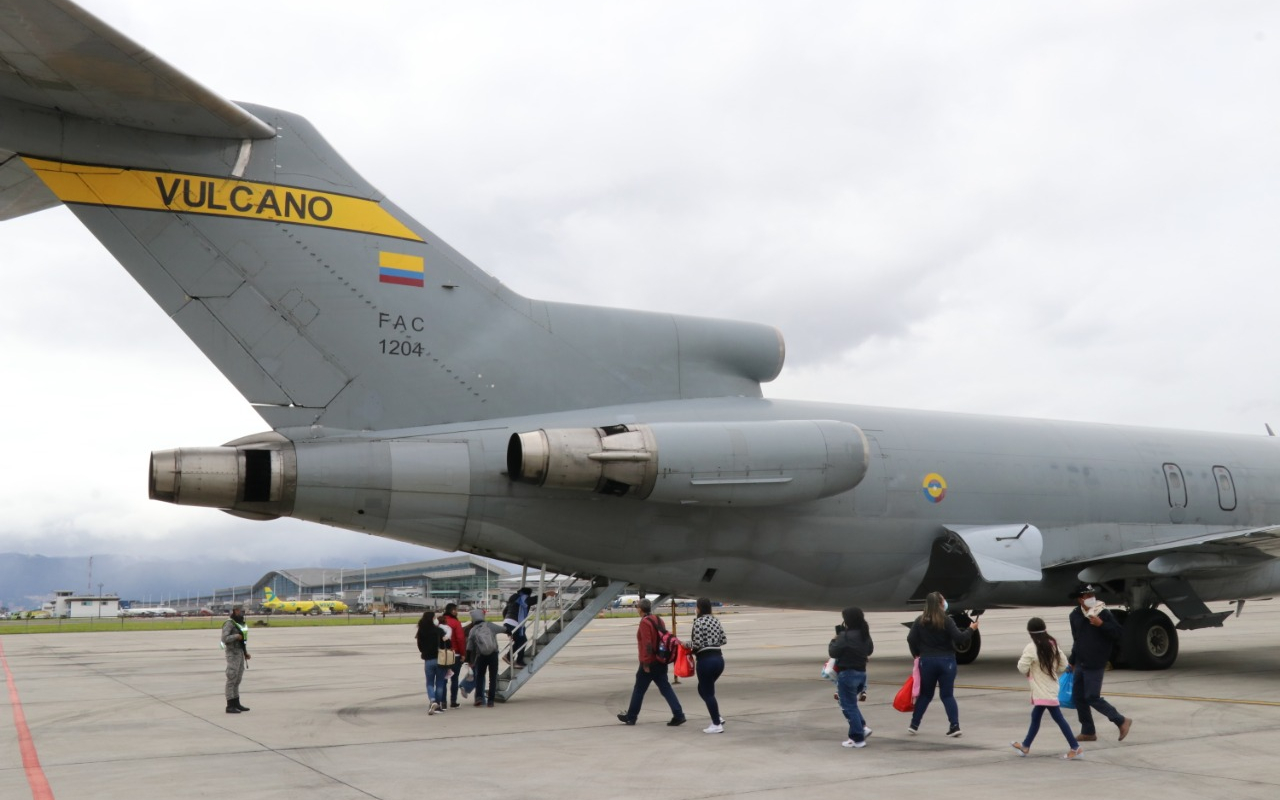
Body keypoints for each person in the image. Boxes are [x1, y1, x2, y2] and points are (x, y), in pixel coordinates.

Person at [906, 591, 977, 737]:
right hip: (947, 661)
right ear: (940, 604)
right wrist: (971, 629)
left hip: (927, 661)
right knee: (947, 695)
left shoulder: (920, 621)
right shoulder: (947, 620)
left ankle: (914, 724)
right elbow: (960, 637)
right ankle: (955, 725)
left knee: (925, 694)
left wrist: (917, 653)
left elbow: (910, 638)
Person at [1011, 617, 1082, 759]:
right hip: (1051, 687)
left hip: (1042, 690)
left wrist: (1031, 670)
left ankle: (1075, 747)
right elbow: (1063, 664)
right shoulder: (1052, 643)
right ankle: (1025, 746)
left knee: (1058, 718)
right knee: (1036, 716)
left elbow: (1021, 667)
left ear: (1030, 632)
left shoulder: (1031, 647)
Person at [1067, 584, 1132, 742]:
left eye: (1091, 595)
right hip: (1081, 661)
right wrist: (1072, 661)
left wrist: (1101, 624)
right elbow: (1077, 639)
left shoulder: (1102, 612)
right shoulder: (1075, 615)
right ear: (1080, 599)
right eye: (1087, 596)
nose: (1091, 598)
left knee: (1092, 696)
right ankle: (1088, 731)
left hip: (1096, 661)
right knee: (1079, 697)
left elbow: (1118, 633)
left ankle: (1121, 720)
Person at [616, 598, 685, 726]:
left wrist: (646, 663)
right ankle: (679, 714)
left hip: (650, 662)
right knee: (665, 688)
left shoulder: (644, 623)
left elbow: (647, 644)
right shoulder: (658, 619)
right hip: (660, 660)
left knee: (639, 690)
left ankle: (631, 717)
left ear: (640, 609)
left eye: (637, 607)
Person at [829, 607, 874, 748]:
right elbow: (870, 650)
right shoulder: (864, 634)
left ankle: (857, 738)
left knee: (847, 706)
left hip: (847, 674)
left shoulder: (845, 636)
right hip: (861, 673)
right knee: (851, 704)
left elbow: (833, 652)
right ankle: (862, 727)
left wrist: (834, 640)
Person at [688, 597, 728, 733]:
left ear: (699, 608)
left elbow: (697, 643)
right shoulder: (715, 620)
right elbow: (724, 640)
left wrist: (686, 645)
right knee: (703, 689)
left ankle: (716, 724)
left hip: (705, 660)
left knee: (708, 692)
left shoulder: (699, 622)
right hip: (719, 659)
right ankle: (717, 715)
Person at [502, 587, 556, 668]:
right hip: (515, 623)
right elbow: (534, 600)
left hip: (508, 622)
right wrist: (547, 594)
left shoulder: (514, 598)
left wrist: (507, 625)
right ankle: (517, 661)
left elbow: (505, 611)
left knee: (519, 641)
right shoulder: (523, 598)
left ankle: (509, 656)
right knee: (522, 641)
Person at [466, 607, 504, 707]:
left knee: (479, 677)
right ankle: (491, 701)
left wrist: (468, 660)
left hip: (481, 656)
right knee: (493, 677)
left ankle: (478, 697)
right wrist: (509, 632)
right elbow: (504, 629)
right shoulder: (490, 626)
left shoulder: (473, 630)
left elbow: (469, 647)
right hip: (493, 654)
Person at [415, 610, 448, 714]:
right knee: (439, 683)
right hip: (440, 659)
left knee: (429, 682)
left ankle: (432, 700)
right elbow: (446, 644)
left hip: (428, 659)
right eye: (434, 618)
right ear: (432, 619)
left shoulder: (421, 631)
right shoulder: (439, 631)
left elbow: (420, 646)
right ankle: (437, 705)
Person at [221, 604, 251, 714]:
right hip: (232, 654)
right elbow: (224, 638)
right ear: (236, 610)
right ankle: (230, 705)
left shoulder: (240, 623)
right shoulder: (229, 623)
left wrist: (245, 652)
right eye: (242, 611)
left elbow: (243, 641)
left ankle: (236, 702)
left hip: (239, 654)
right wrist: (236, 636)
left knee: (237, 679)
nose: (243, 613)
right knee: (231, 679)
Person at [441, 603, 466, 708]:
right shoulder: (456, 622)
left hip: (443, 654)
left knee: (443, 679)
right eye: (456, 610)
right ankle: (453, 701)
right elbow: (461, 639)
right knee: (454, 679)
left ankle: (443, 702)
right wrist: (463, 654)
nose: (457, 612)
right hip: (455, 654)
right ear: (453, 611)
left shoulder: (439, 622)